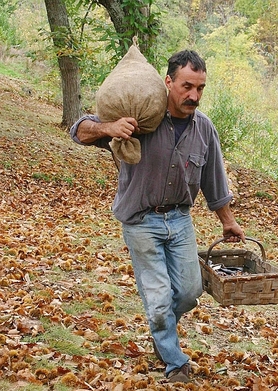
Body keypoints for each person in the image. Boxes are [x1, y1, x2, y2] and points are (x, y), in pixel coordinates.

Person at [70, 50, 245, 383]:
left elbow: (213, 180)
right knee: (159, 298)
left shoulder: (204, 128)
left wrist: (227, 220)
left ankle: (160, 332)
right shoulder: (140, 118)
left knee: (190, 292)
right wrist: (109, 127)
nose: (193, 95)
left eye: (200, 88)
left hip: (180, 220)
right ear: (168, 82)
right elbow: (78, 131)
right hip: (140, 220)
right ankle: (174, 360)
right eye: (186, 86)